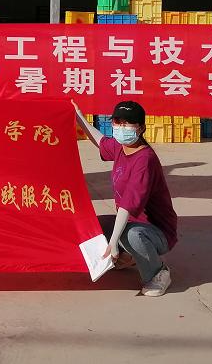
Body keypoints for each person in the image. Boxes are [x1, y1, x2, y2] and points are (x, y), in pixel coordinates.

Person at [74, 100, 178, 296]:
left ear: (141, 128)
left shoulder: (144, 160)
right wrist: (78, 116)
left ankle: (158, 272)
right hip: (131, 222)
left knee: (128, 235)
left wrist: (113, 242)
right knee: (93, 227)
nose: (121, 127)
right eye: (118, 122)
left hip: (156, 232)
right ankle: (128, 255)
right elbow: (100, 141)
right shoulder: (120, 147)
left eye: (128, 123)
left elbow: (127, 206)